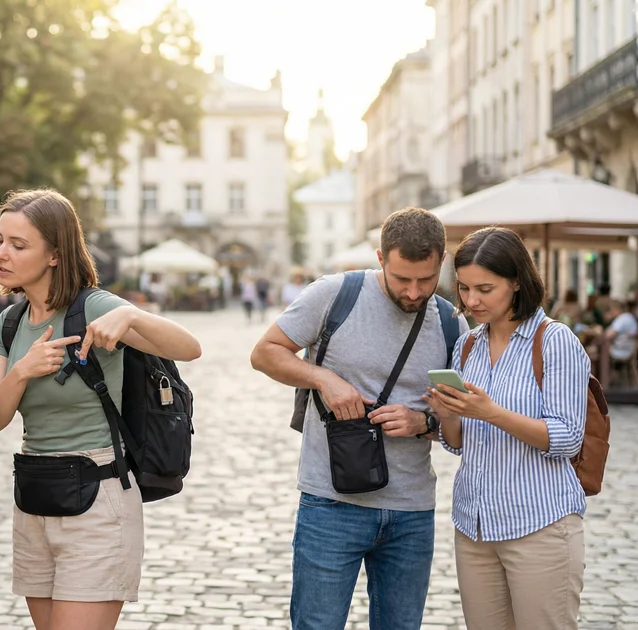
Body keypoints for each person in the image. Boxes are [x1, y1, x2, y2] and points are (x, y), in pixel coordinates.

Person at [0, 189, 201, 630]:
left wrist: (132, 319)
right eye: (0, 240)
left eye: (18, 245)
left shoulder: (92, 306)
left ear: (55, 255)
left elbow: (190, 348)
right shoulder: (9, 322)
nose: (2, 254)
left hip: (98, 501)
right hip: (34, 498)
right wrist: (22, 372)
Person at [249, 207, 468, 630]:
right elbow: (265, 353)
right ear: (380, 257)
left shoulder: (449, 323)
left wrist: (423, 423)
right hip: (330, 504)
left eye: (425, 279)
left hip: (411, 510)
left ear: (441, 261)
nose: (413, 291)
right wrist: (323, 379)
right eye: (402, 278)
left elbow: (457, 425)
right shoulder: (334, 295)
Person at [425, 226, 590, 630]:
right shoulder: (467, 345)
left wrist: (491, 412)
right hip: (475, 525)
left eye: (485, 288)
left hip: (539, 526)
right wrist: (448, 414)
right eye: (463, 288)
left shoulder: (555, 341)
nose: (471, 300)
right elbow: (459, 443)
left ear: (517, 281)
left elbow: (567, 438)